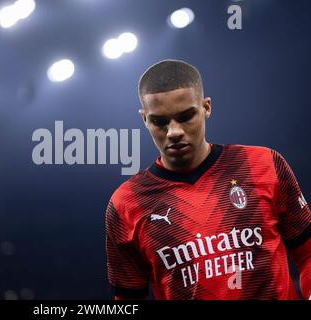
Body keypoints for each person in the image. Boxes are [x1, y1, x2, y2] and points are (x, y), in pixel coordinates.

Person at [105, 59, 310, 300]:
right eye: (160, 122)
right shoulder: (126, 203)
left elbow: (307, 254)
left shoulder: (264, 164)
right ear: (144, 119)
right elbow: (127, 299)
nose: (174, 132)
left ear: (206, 107)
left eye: (185, 116)